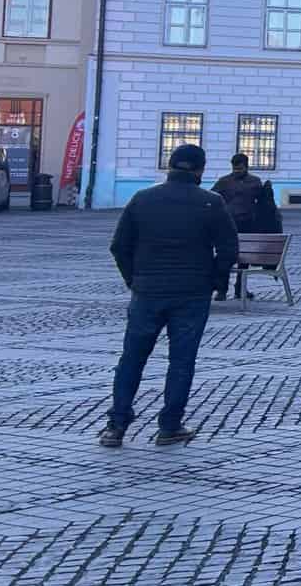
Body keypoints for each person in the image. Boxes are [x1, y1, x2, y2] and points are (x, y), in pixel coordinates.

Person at [99, 144, 238, 448]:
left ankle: (116, 425)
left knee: (132, 359)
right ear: (200, 170)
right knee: (182, 361)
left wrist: (134, 280)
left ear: (169, 167)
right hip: (192, 292)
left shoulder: (143, 199)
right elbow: (228, 248)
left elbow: (119, 246)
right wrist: (214, 281)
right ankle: (170, 425)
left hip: (147, 292)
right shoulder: (211, 203)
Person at [211, 153, 264, 300]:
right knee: (225, 257)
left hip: (248, 224)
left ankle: (240, 287)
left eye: (240, 169)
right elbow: (213, 198)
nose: (237, 172)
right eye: (235, 169)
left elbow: (262, 204)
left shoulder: (255, 182)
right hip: (227, 225)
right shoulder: (224, 181)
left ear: (246, 167)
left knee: (244, 259)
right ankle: (221, 290)